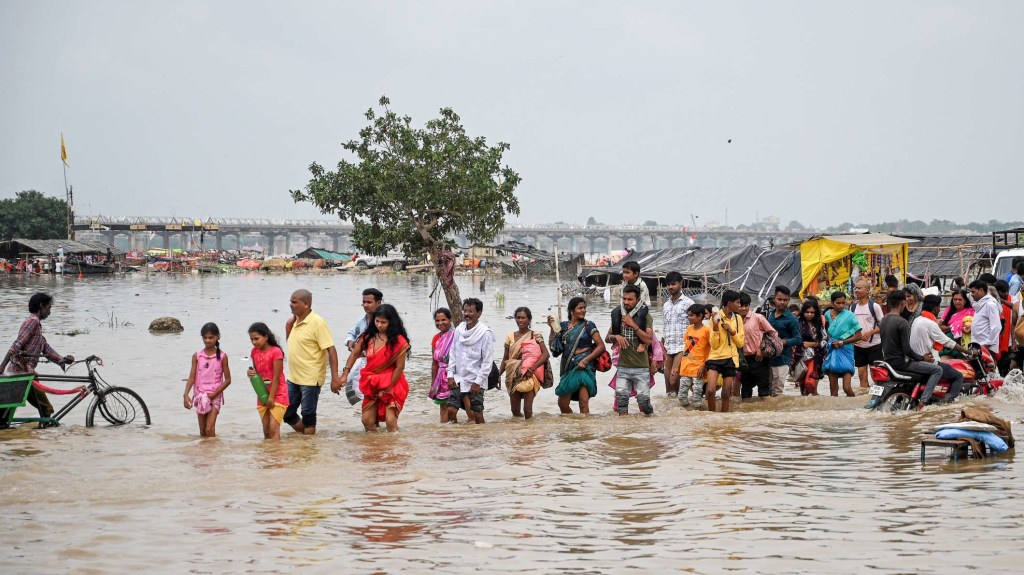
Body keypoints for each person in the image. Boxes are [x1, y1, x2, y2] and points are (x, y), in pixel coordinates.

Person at [0, 293, 75, 424]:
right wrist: (2, 366)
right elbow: (17, 344)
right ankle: (43, 434)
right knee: (46, 409)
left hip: (27, 375)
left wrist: (62, 359)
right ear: (41, 306)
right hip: (21, 375)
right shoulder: (32, 321)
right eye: (49, 308)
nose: (50, 312)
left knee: (7, 414)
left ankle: (39, 436)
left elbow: (46, 348)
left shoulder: (37, 325)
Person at [344, 304, 410, 432]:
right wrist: (345, 373)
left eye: (383, 322)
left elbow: (399, 368)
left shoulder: (399, 341)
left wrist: (387, 389)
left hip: (392, 382)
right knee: (367, 420)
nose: (379, 325)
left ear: (391, 322)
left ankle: (395, 449)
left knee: (390, 421)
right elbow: (354, 354)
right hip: (371, 382)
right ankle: (375, 448)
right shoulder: (367, 337)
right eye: (377, 321)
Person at [288, 289, 340, 435]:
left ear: (305, 304)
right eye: (290, 302)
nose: (290, 305)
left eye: (294, 302)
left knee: (308, 414)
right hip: (293, 377)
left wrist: (335, 378)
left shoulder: (317, 322)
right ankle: (306, 438)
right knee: (286, 412)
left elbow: (331, 349)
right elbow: (292, 343)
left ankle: (309, 446)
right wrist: (288, 326)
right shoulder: (294, 321)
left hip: (310, 378)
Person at [879, 290, 943, 406]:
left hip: (888, 361)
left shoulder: (884, 319)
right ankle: (923, 402)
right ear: (903, 303)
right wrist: (923, 358)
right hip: (902, 363)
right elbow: (907, 350)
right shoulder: (902, 322)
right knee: (938, 370)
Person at [910, 295, 973, 405]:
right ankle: (948, 402)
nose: (939, 310)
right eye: (938, 307)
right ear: (935, 308)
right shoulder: (931, 323)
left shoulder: (917, 320)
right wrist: (968, 352)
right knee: (958, 376)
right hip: (926, 361)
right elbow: (948, 342)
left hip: (915, 358)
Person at [549, 297, 605, 415]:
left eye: (584, 308)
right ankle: (572, 426)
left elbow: (601, 346)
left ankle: (585, 431)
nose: (583, 310)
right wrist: (552, 330)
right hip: (569, 368)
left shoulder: (588, 326)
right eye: (580, 308)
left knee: (583, 402)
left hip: (584, 367)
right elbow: (555, 350)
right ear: (571, 311)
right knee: (563, 404)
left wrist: (585, 360)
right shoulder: (563, 327)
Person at [605, 284, 654, 415]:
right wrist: (616, 336)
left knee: (644, 404)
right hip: (623, 367)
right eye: (624, 299)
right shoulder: (618, 315)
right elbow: (607, 339)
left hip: (641, 367)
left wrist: (633, 324)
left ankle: (651, 427)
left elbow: (649, 340)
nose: (626, 302)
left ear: (638, 300)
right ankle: (624, 432)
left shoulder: (645, 317)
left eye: (630, 299)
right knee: (621, 402)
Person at [446, 298, 493, 424]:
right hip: (458, 378)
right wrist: (450, 375)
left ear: (479, 313)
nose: (467, 314)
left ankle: (479, 438)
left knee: (476, 412)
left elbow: (487, 361)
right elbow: (453, 353)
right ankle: (455, 439)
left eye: (471, 311)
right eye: (465, 311)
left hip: (475, 379)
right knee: (450, 410)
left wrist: (478, 382)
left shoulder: (485, 333)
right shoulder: (459, 330)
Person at [183, 322, 232, 438]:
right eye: (205, 338)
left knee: (209, 429)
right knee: (203, 431)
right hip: (200, 395)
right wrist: (185, 394)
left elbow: (228, 380)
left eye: (211, 337)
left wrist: (214, 394)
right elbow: (192, 377)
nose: (207, 341)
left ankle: (213, 454)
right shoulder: (197, 356)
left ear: (217, 337)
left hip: (215, 395)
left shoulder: (222, 357)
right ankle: (205, 454)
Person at [500, 307, 549, 420]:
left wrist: (532, 369)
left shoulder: (535, 335)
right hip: (513, 374)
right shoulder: (510, 336)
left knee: (527, 410)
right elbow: (505, 357)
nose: (520, 320)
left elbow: (545, 354)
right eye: (518, 318)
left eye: (523, 318)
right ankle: (518, 434)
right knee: (515, 411)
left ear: (529, 319)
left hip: (529, 374)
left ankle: (530, 435)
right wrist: (498, 374)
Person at [705, 290, 744, 412]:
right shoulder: (715, 317)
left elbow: (741, 343)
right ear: (729, 303)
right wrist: (716, 328)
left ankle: (724, 417)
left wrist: (732, 332)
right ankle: (711, 415)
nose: (740, 305)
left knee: (726, 393)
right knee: (710, 390)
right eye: (737, 303)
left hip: (731, 359)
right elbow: (714, 345)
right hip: (715, 358)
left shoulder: (738, 319)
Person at [342, 288, 384, 403]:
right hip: (364, 363)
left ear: (379, 303)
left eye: (369, 302)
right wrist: (350, 342)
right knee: (364, 396)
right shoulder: (362, 320)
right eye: (364, 302)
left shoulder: (385, 322)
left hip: (380, 365)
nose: (365, 305)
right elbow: (351, 334)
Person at [247, 322, 287, 440]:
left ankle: (276, 457)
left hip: (278, 393)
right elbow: (257, 373)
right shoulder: (254, 351)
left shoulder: (276, 352)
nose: (254, 342)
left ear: (266, 336)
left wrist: (271, 398)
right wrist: (250, 373)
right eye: (251, 339)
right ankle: (268, 457)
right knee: (266, 431)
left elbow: (276, 377)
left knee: (274, 428)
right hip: (262, 393)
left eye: (256, 338)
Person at [661, 271, 695, 398]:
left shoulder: (689, 303)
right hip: (668, 346)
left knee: (674, 379)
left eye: (673, 284)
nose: (670, 287)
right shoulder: (666, 305)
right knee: (668, 384)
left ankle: (681, 402)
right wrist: (662, 345)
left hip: (683, 346)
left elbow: (695, 325)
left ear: (681, 284)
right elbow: (665, 325)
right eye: (668, 284)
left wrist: (692, 347)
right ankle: (673, 410)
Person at [822, 292, 862, 397]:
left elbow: (859, 336)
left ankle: (855, 408)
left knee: (847, 388)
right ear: (832, 302)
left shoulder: (850, 316)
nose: (841, 305)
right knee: (833, 387)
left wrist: (841, 342)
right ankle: (835, 411)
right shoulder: (827, 315)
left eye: (843, 303)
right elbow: (827, 333)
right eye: (838, 303)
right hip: (832, 349)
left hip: (846, 350)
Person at [738, 292, 776, 399]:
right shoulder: (734, 321)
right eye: (741, 306)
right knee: (745, 393)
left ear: (749, 306)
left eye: (746, 306)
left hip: (759, 358)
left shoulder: (758, 318)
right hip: (744, 360)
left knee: (764, 392)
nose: (744, 309)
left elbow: (773, 334)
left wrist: (761, 349)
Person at [766, 286, 801, 397]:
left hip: (782, 360)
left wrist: (783, 342)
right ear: (774, 299)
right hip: (767, 359)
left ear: (788, 301)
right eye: (779, 299)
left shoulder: (791, 319)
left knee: (777, 391)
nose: (782, 302)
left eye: (785, 300)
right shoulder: (769, 314)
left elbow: (798, 339)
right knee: (766, 391)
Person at [850, 279, 884, 391]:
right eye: (856, 288)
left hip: (874, 345)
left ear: (867, 291)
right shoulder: (852, 307)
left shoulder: (874, 306)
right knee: (861, 374)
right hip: (859, 346)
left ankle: (878, 398)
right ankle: (864, 398)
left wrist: (870, 333)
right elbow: (852, 326)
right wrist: (853, 337)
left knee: (876, 375)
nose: (857, 290)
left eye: (859, 288)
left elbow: (883, 326)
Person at [678, 304, 711, 408]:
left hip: (699, 368)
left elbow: (711, 350)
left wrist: (704, 365)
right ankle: (687, 413)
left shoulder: (707, 331)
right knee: (681, 396)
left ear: (700, 316)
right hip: (686, 366)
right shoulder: (689, 328)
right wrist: (679, 364)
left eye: (691, 315)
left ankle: (698, 414)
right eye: (688, 315)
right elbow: (686, 348)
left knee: (697, 396)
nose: (689, 317)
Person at [429, 308, 456, 423]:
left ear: (450, 320)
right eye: (437, 320)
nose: (440, 323)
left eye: (443, 319)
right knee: (443, 406)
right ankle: (445, 434)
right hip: (441, 376)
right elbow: (435, 363)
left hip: (455, 374)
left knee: (458, 407)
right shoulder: (436, 338)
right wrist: (433, 383)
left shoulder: (457, 336)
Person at [797, 302, 825, 396]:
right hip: (799, 357)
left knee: (810, 383)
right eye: (807, 312)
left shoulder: (819, 325)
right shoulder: (798, 323)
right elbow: (793, 339)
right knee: (802, 384)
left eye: (812, 312)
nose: (810, 314)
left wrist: (812, 344)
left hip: (815, 357)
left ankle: (811, 402)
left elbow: (824, 341)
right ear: (803, 312)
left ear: (816, 313)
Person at [968, 280, 1002, 357]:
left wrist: (987, 345)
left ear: (981, 290)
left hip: (986, 347)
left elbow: (996, 327)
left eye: (973, 292)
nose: (971, 295)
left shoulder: (990, 304)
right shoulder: (979, 304)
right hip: (977, 345)